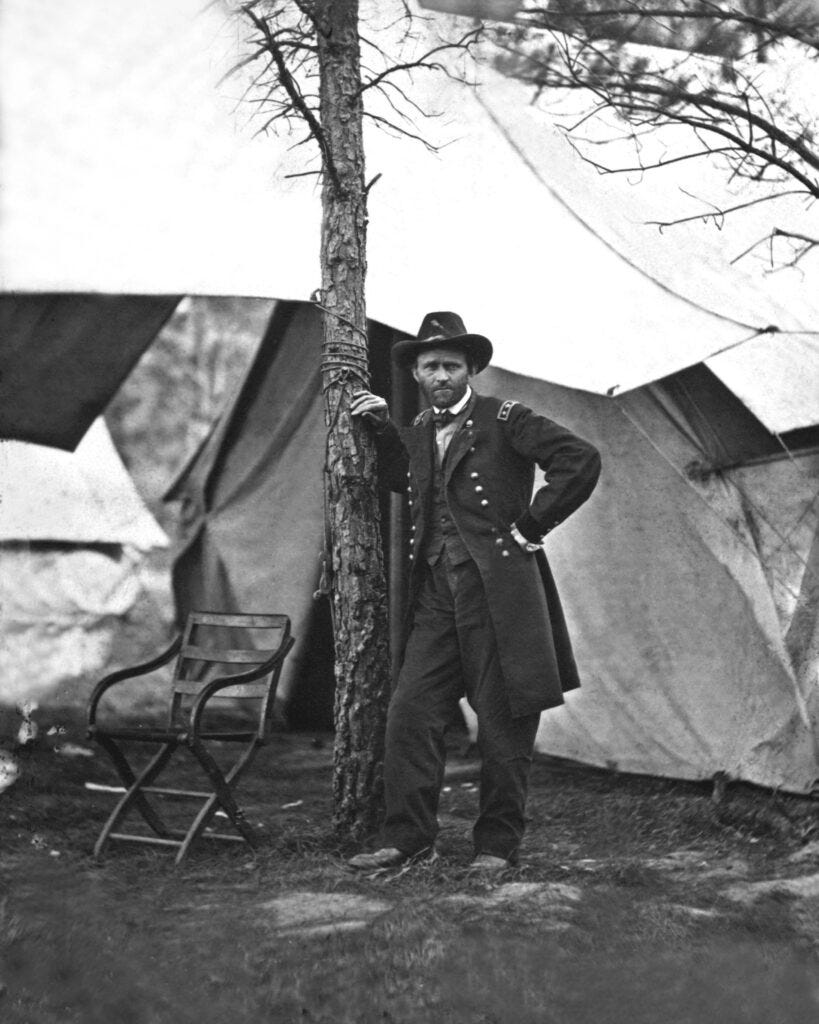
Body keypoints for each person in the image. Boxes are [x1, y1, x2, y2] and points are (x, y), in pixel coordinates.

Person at [348, 311, 601, 874]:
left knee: (504, 727)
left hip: (499, 597)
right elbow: (406, 479)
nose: (440, 376)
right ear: (416, 373)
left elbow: (580, 459)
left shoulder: (506, 418)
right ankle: (409, 839)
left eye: (451, 366)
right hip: (436, 598)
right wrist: (384, 429)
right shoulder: (418, 428)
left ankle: (497, 846)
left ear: (471, 370)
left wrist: (532, 525)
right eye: (430, 366)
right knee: (410, 715)